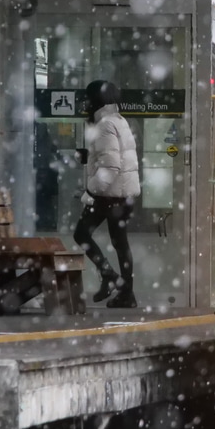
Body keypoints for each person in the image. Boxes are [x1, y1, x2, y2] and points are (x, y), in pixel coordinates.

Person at [74, 80, 142, 308]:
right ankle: (127, 294)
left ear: (96, 100)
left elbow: (111, 166)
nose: (84, 102)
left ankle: (109, 276)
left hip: (108, 195)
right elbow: (117, 157)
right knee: (121, 244)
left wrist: (90, 189)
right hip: (124, 195)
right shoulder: (119, 120)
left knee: (81, 234)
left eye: (87, 97)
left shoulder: (104, 124)